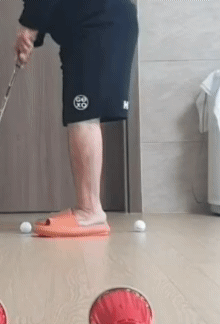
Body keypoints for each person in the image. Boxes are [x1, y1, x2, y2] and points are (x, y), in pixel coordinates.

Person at [15, 0, 139, 238]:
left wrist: (28, 27)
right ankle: (88, 208)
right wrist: (32, 34)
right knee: (82, 112)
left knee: (83, 114)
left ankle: (90, 211)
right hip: (92, 25)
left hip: (97, 24)